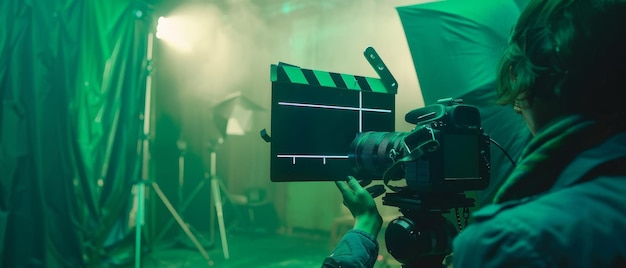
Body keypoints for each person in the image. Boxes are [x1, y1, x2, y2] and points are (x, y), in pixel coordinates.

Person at [324, 0, 626, 267]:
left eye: (515, 80)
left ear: (537, 82)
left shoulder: (508, 242)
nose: (517, 108)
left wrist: (363, 228)